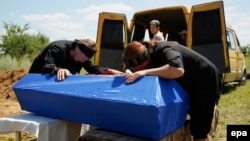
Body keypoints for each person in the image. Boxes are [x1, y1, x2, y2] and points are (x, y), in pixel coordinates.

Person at [122, 40, 222, 141]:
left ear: (143, 58)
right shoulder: (150, 61)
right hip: (191, 81)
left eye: (134, 66)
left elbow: (177, 70)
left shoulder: (163, 49)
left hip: (205, 78)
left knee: (199, 128)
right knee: (194, 122)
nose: (135, 70)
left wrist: (145, 72)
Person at [29, 39, 123, 81]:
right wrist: (59, 69)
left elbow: (91, 68)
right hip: (36, 80)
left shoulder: (81, 56)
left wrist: (108, 71)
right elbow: (46, 67)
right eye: (83, 58)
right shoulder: (58, 48)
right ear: (78, 48)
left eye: (85, 60)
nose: (82, 61)